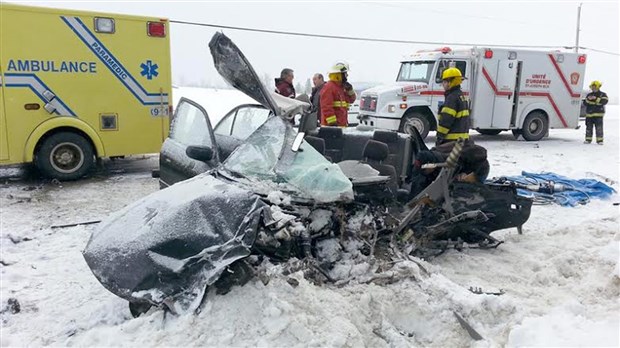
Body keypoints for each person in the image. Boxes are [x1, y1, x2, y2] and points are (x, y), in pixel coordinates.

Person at [408, 140, 489, 200]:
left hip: (478, 169)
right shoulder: (440, 157)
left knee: (474, 189)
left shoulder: (443, 158)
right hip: (470, 165)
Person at [436, 67, 470, 146]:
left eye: (444, 82)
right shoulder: (461, 96)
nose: (443, 85)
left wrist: (439, 138)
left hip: (450, 142)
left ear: (449, 82)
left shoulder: (452, 98)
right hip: (461, 141)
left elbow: (446, 120)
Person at [320, 62, 356, 127]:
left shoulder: (342, 87)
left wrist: (350, 91)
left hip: (341, 125)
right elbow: (326, 107)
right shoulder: (329, 87)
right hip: (330, 127)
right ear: (339, 75)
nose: (347, 75)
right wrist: (332, 123)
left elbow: (351, 100)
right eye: (345, 73)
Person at [583, 80, 608, 145]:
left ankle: (600, 140)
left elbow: (604, 101)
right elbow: (585, 103)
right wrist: (588, 99)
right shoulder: (589, 95)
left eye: (594, 86)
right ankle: (588, 139)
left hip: (598, 115)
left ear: (598, 87)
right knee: (588, 128)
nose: (593, 88)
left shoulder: (602, 94)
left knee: (599, 128)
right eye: (592, 87)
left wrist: (595, 98)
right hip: (589, 115)